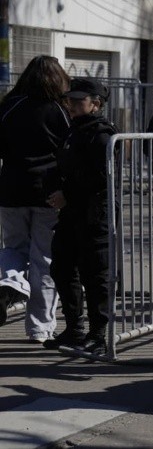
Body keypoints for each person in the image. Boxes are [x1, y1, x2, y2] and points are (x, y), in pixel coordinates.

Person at [43, 78, 117, 355]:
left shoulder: (102, 135)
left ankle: (99, 335)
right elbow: (60, 165)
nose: (71, 105)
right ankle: (75, 328)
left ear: (95, 104)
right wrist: (54, 190)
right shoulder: (73, 130)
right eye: (69, 100)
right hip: (73, 213)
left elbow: (99, 179)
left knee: (95, 274)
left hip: (95, 214)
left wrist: (68, 194)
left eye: (78, 101)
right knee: (61, 267)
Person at [0, 55, 70, 340]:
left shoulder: (9, 106)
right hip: (48, 194)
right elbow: (69, 148)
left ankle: (9, 283)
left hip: (10, 190)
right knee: (44, 259)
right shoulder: (59, 109)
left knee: (13, 247)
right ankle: (40, 328)